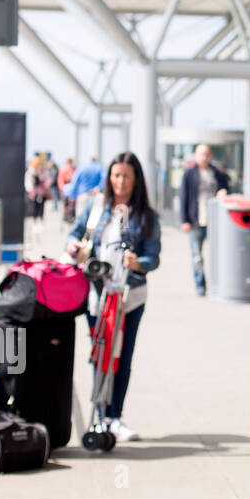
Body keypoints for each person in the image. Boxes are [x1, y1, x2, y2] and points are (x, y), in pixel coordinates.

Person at [65, 152, 160, 442]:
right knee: (100, 354)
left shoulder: (146, 215)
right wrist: (74, 248)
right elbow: (74, 235)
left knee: (122, 356)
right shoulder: (95, 207)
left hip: (130, 296)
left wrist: (138, 262)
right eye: (116, 175)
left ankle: (114, 416)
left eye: (126, 176)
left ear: (136, 179)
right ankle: (100, 416)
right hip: (98, 294)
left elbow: (153, 257)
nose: (120, 182)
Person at [179, 144, 229, 296]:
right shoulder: (189, 174)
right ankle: (200, 286)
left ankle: (217, 285)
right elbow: (183, 198)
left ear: (211, 156)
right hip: (196, 221)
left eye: (207, 154)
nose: (204, 157)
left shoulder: (217, 173)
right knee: (197, 257)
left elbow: (227, 189)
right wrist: (184, 220)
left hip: (215, 222)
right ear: (195, 155)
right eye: (201, 154)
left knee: (217, 255)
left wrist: (224, 193)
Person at [24, 157, 47, 222]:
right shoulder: (31, 171)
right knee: (34, 207)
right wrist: (31, 190)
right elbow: (28, 183)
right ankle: (35, 220)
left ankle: (40, 219)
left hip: (41, 192)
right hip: (34, 193)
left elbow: (46, 180)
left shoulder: (43, 171)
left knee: (41, 207)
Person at [58, 157, 76, 222]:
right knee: (68, 204)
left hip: (70, 189)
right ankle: (67, 216)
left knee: (69, 204)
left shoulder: (73, 169)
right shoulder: (65, 169)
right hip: (67, 188)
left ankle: (69, 216)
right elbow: (61, 180)